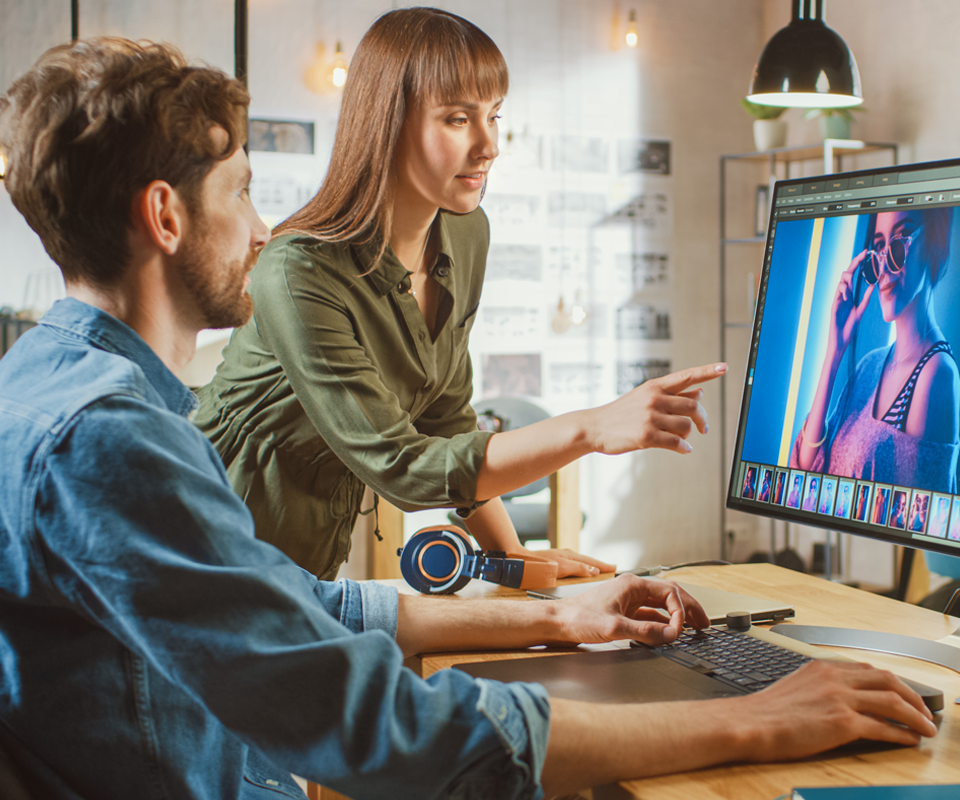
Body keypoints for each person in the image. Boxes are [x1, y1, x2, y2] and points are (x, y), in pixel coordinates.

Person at [0, 35, 938, 800]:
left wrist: (556, 613)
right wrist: (758, 718)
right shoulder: (109, 441)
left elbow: (294, 607)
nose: (258, 227)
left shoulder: (56, 384)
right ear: (165, 215)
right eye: (241, 190)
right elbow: (378, 727)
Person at [194, 7, 723, 581]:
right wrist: (590, 427)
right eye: (457, 119)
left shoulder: (466, 232)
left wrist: (512, 557)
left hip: (309, 560)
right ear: (388, 122)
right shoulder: (297, 270)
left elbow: (446, 420)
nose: (488, 144)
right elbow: (400, 467)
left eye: (493, 116)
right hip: (210, 539)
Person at [791, 208, 960, 493]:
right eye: (879, 247)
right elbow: (803, 471)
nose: (884, 268)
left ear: (934, 241)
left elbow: (915, 526)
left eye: (899, 241)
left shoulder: (936, 375)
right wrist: (834, 351)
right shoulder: (870, 365)